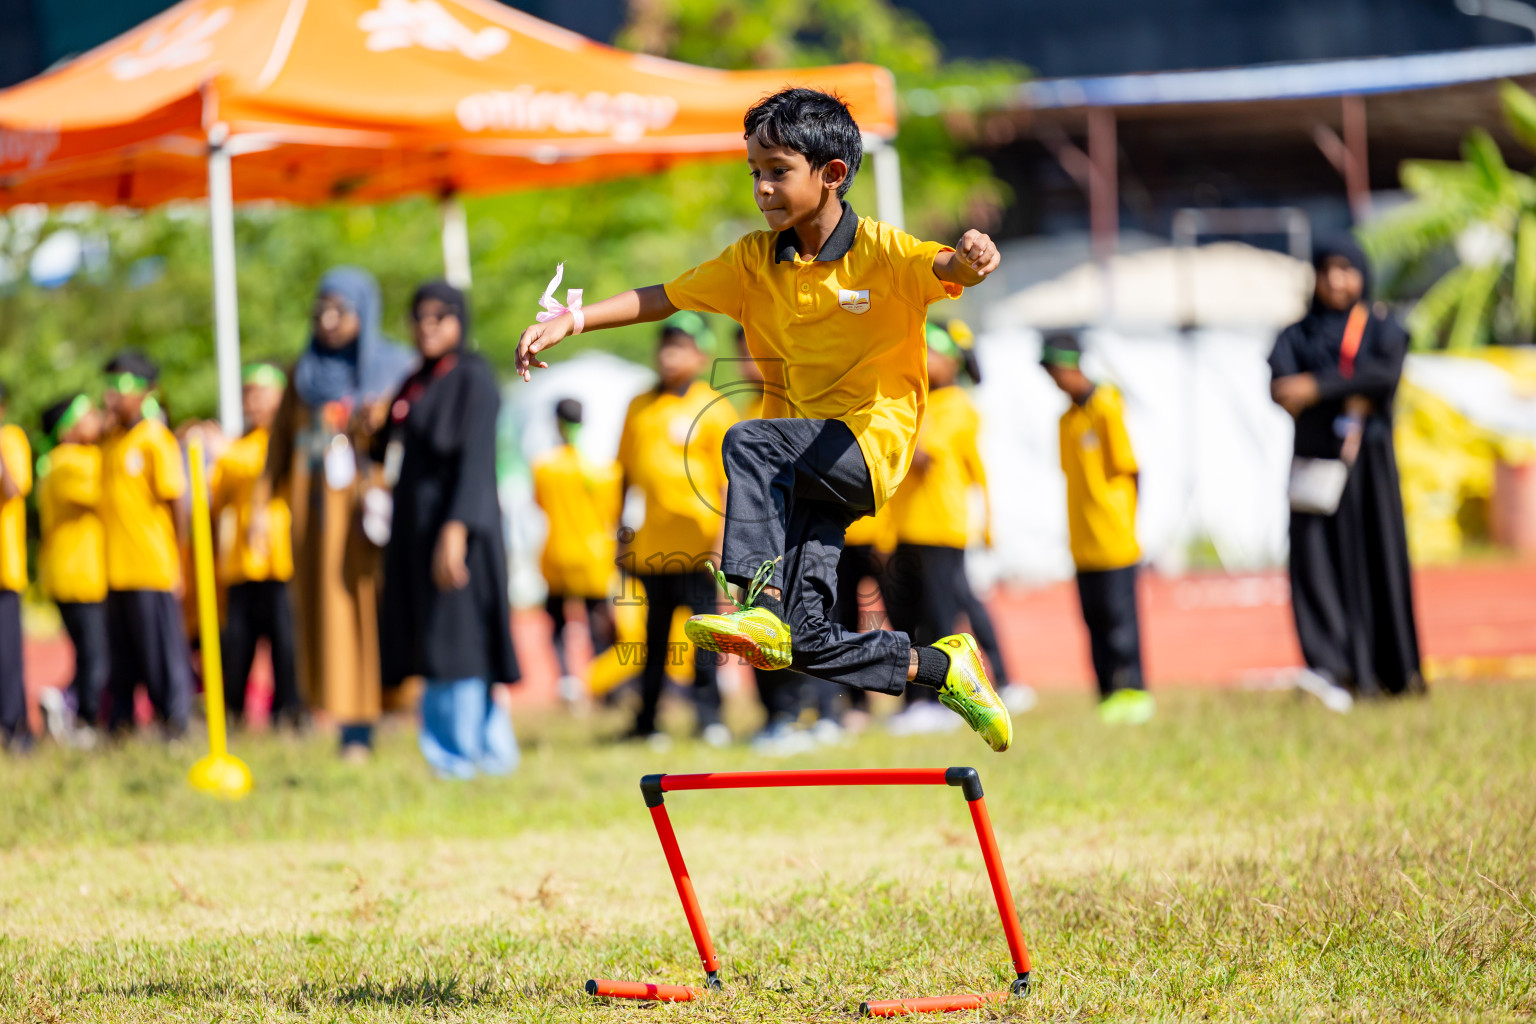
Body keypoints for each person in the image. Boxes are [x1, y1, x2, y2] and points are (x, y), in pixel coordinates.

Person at [515, 87, 1011, 752]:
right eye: (754, 172)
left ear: (831, 175)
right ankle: (945, 667)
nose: (762, 188)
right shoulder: (753, 261)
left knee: (747, 442)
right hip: (806, 465)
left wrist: (974, 258)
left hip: (867, 447)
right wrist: (572, 319)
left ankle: (758, 603)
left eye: (777, 171)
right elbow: (663, 296)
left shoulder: (881, 252)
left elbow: (946, 267)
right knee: (803, 644)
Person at [254, 267, 414, 759]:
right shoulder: (304, 376)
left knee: (379, 615)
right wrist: (260, 509)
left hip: (375, 522)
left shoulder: (396, 369)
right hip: (319, 527)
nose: (327, 319)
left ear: (364, 310)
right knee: (335, 620)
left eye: (339, 309)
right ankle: (352, 726)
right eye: (320, 309)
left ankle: (392, 713)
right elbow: (279, 449)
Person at [1269, 238, 1422, 700]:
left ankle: (1388, 671)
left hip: (1368, 468)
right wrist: (1342, 390)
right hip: (1315, 461)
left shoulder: (1381, 327)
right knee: (1315, 564)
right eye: (1327, 270)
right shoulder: (1297, 333)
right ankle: (1329, 668)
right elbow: (1280, 385)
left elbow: (1384, 374)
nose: (1337, 280)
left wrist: (1316, 386)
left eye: (1346, 269)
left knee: (1376, 559)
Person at [378, 281, 519, 779]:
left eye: (441, 317)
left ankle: (460, 757)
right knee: (436, 639)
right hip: (418, 532)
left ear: (460, 321)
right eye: (420, 317)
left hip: (463, 529)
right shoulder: (416, 381)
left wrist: (455, 529)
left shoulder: (473, 377)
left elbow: (477, 461)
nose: (428, 326)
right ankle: (480, 754)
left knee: (457, 642)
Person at [885, 323, 1032, 734]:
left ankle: (944, 698)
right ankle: (916, 702)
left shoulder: (957, 405)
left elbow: (922, 455)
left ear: (952, 361)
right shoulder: (917, 403)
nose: (925, 360)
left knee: (940, 617)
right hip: (906, 527)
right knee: (907, 617)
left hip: (941, 528)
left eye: (933, 352)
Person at [612, 312, 736, 745]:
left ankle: (709, 717)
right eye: (665, 344)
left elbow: (727, 485)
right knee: (654, 638)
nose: (670, 354)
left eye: (681, 346)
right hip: (652, 547)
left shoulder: (716, 408)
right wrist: (618, 536)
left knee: (704, 637)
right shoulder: (639, 405)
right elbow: (624, 474)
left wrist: (723, 546)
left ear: (700, 355)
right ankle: (646, 720)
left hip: (700, 547)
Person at [1040, 332, 1154, 724]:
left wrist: (1128, 522)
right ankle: (1106, 692)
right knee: (1094, 621)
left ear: (1073, 366)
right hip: (1082, 540)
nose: (1054, 381)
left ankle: (1134, 690)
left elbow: (1131, 468)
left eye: (1056, 371)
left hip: (1114, 538)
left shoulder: (1107, 405)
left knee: (1121, 620)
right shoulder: (1066, 420)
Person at [99, 352, 194, 738]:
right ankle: (120, 725)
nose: (110, 397)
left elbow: (178, 502)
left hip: (151, 566)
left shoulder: (155, 438)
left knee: (161, 654)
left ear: (144, 392)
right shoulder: (112, 441)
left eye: (121, 387)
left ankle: (175, 723)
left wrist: (179, 562)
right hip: (115, 569)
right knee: (121, 659)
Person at [211, 364, 304, 729]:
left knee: (287, 645)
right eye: (250, 394)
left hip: (281, 560)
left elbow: (267, 468)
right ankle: (233, 714)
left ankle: (290, 713)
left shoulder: (286, 443)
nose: (256, 402)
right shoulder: (237, 446)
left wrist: (222, 452)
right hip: (241, 563)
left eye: (264, 394)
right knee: (237, 646)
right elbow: (218, 493)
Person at [532, 398, 621, 705]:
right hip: (593, 558)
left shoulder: (543, 467)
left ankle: (567, 682)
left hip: (556, 554)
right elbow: (613, 513)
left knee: (558, 623)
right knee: (600, 625)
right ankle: (603, 685)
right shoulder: (602, 468)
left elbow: (539, 505)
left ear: (556, 423)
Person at [36, 393, 108, 744]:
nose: (97, 419)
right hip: (77, 573)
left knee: (90, 651)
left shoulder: (64, 460)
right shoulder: (68, 461)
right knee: (95, 654)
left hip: (77, 572)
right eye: (89, 415)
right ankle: (79, 716)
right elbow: (110, 487)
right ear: (68, 430)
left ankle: (69, 705)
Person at [0, 381, 32, 751]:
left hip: (5, 571)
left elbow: (12, 488)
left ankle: (15, 729)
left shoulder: (11, 440)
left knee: (8, 658)